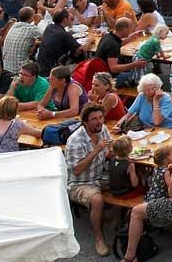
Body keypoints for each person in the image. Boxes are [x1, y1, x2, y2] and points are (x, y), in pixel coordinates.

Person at [64, 104, 113, 254]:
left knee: (129, 176)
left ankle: (117, 219)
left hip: (100, 175)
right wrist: (97, 150)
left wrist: (111, 153)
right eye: (94, 119)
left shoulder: (102, 129)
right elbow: (77, 171)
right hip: (80, 183)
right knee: (96, 199)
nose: (99, 122)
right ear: (85, 122)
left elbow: (108, 150)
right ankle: (99, 239)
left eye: (100, 118)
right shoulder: (76, 140)